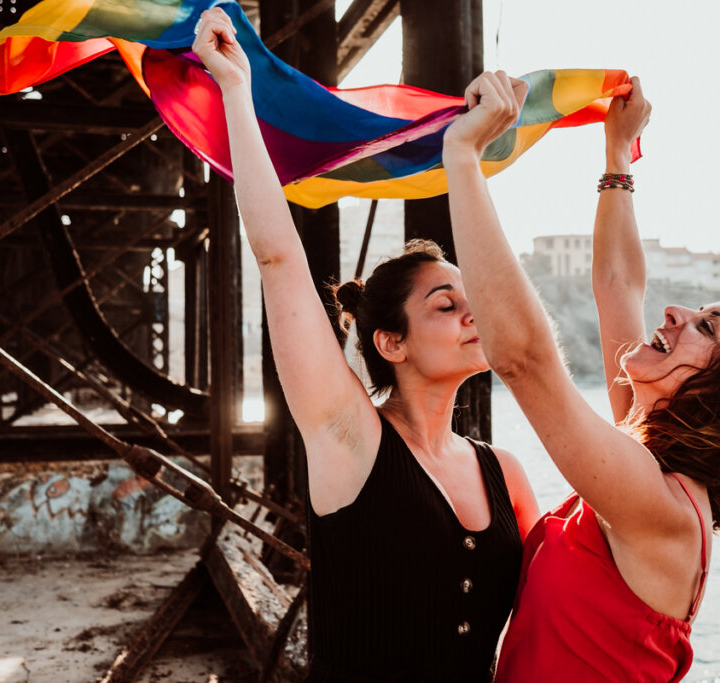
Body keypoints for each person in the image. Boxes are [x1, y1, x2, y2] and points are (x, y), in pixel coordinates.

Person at [440, 72, 720, 680]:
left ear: (719, 392)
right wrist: (618, 153)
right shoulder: (643, 445)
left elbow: (524, 361)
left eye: (707, 328)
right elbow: (619, 285)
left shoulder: (659, 505)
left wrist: (462, 158)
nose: (676, 314)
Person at [191, 9, 539, 682]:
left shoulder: (507, 473)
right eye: (446, 304)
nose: (475, 313)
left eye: (473, 300)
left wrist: (616, 162)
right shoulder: (350, 437)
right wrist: (236, 89)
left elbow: (555, 610)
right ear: (391, 342)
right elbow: (278, 259)